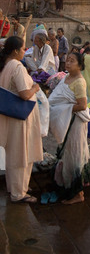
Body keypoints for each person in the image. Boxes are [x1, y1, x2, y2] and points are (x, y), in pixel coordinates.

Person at [0, 36, 43, 203]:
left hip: (11, 115)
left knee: (13, 153)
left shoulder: (5, 66)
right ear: (15, 50)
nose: (25, 52)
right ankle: (19, 193)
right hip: (20, 117)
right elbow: (25, 94)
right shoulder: (17, 66)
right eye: (23, 49)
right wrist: (35, 87)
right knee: (21, 154)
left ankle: (16, 187)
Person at [49, 52, 90, 205]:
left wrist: (61, 109)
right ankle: (67, 186)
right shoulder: (66, 77)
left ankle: (78, 193)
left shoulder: (79, 82)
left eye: (72, 61)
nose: (67, 63)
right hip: (68, 121)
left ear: (80, 65)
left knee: (75, 153)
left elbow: (82, 105)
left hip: (75, 122)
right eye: (67, 60)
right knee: (67, 152)